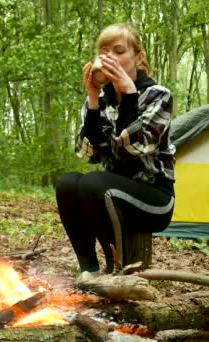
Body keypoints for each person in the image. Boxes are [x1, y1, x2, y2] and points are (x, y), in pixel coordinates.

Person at [56, 23, 175, 278]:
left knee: (94, 183)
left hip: (155, 196)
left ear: (138, 58)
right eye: (104, 51)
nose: (110, 57)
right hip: (111, 191)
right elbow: (89, 155)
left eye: (119, 51)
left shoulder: (158, 96)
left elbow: (137, 149)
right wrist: (92, 99)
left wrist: (130, 97)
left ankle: (117, 271)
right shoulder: (100, 101)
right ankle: (88, 269)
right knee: (68, 183)